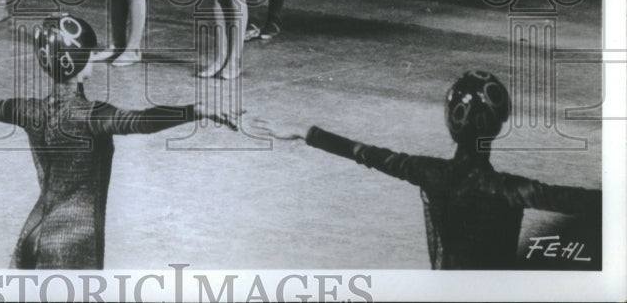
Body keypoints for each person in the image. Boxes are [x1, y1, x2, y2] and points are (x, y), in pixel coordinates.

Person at [0, 13, 238, 269]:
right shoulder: (92, 116)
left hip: (34, 231)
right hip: (73, 244)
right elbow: (141, 122)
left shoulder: (30, 110)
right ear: (83, 66)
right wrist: (196, 109)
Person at [249, 70, 603, 269]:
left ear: (452, 125)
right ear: (499, 124)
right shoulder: (514, 190)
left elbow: (366, 153)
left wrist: (304, 131)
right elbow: (586, 202)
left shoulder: (430, 173)